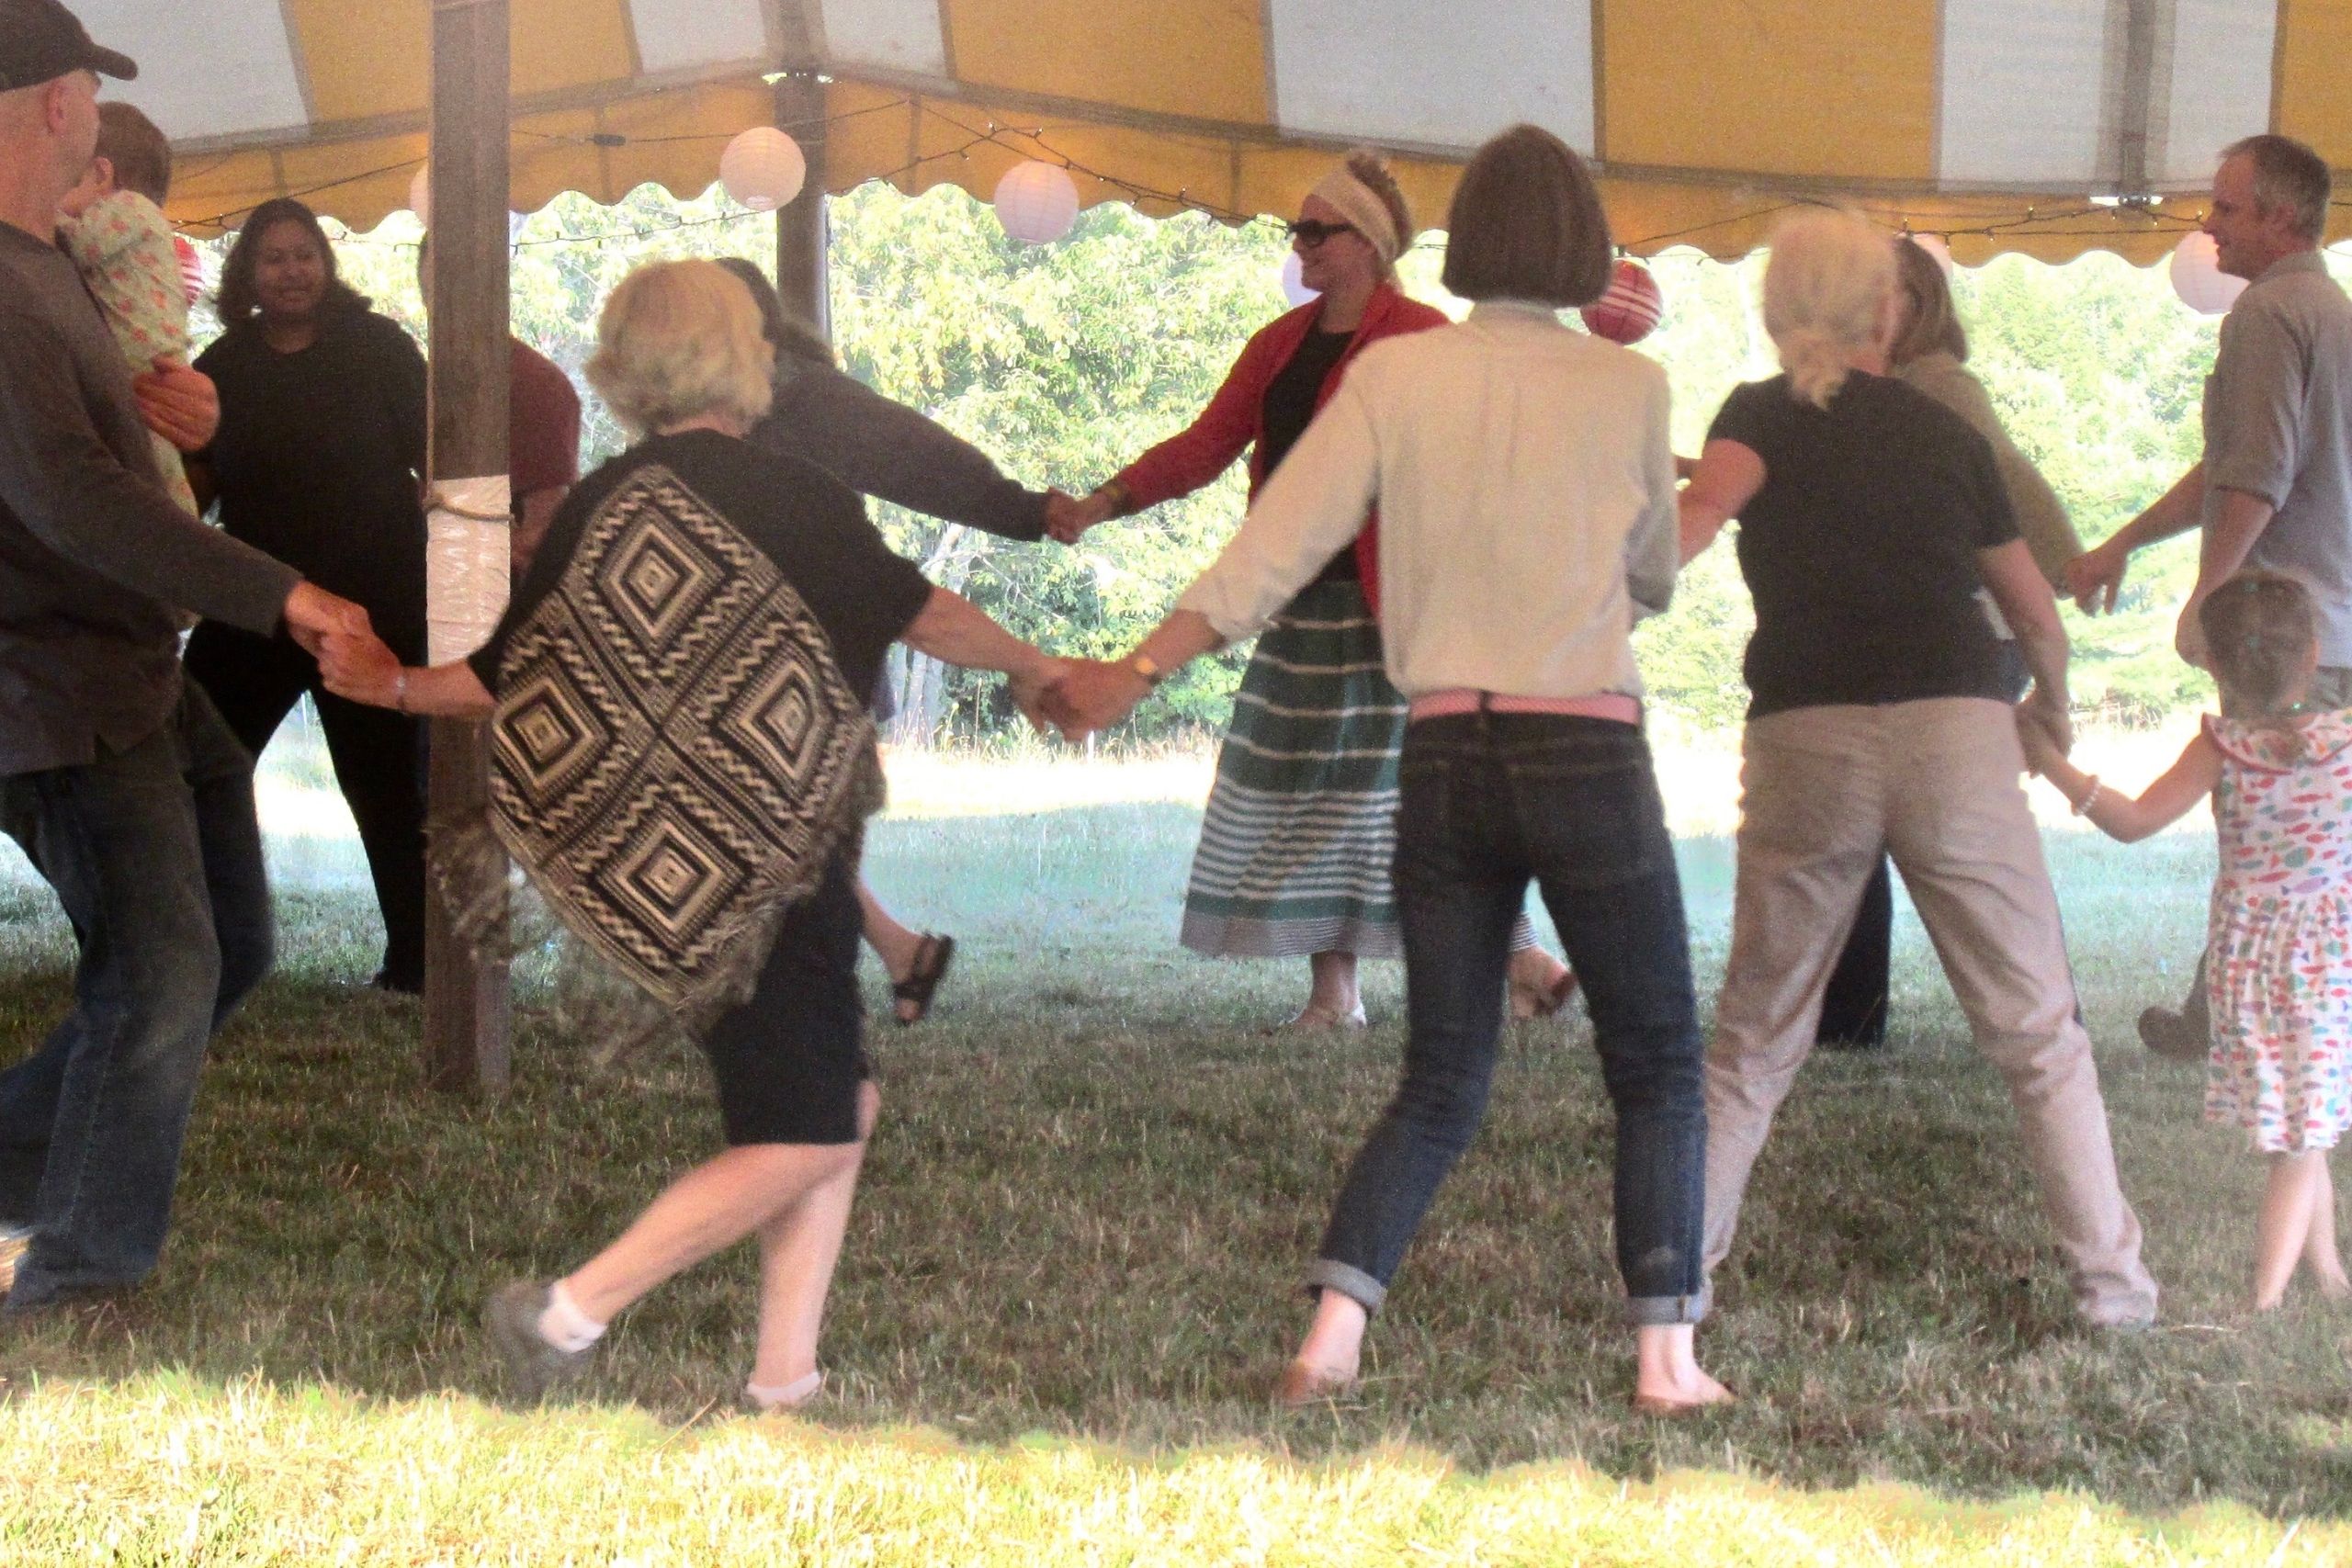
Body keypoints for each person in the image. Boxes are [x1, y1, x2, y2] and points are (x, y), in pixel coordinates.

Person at [1046, 126, 1727, 1412]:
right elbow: (1651, 580)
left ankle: (1331, 1336)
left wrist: (1132, 671)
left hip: (1444, 744)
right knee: (1656, 1061)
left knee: (1441, 1071)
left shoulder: (1396, 376)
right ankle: (1667, 1360)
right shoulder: (1631, 389)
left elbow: (1267, 552)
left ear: (1462, 239)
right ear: (1586, 247)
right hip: (1586, 741)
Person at [316, 258, 1067, 1409]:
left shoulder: (607, 502)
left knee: (831, 1106)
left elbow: (507, 672)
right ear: (744, 354)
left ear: (627, 369)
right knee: (811, 1128)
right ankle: (566, 1314)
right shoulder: (790, 494)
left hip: (678, 872)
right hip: (776, 862)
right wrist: (1043, 664)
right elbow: (925, 614)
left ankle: (784, 1382)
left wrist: (392, 686)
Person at [1679, 207, 2158, 1328]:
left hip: (1805, 730)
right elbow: (2036, 613)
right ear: (1887, 308)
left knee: (1754, 1033)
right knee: (2038, 1029)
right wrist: (2055, 705)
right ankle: (2114, 1288)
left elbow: (1702, 512)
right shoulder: (1946, 437)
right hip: (1957, 729)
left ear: (1779, 310)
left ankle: (1675, 1281)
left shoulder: (1756, 415)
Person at [0, 0, 368, 1313]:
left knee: (231, 944)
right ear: (56, 104)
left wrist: (197, 424)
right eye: (91, 99)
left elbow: (137, 461)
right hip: (49, 690)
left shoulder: (52, 262)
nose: (99, 122)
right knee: (159, 973)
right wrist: (284, 594)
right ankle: (80, 1263)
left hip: (132, 667)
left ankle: (18, 1176)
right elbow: (76, 502)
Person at [1052, 150, 1577, 1031]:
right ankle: (1356, 991)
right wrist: (1104, 501)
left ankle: (1507, 957)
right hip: (1299, 605)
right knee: (1312, 790)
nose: (1298, 245)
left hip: (1397, 607)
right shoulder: (1279, 345)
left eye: (1313, 230)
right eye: (1296, 229)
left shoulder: (1423, 335)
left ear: (1366, 243)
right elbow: (1204, 444)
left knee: (1397, 789)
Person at [715, 254, 1069, 1023]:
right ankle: (894, 951)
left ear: (758, 331)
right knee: (765, 819)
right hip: (738, 643)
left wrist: (1021, 511)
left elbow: (922, 458)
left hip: (818, 640)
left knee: (794, 821)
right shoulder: (698, 411)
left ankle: (834, 981)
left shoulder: (809, 398)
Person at [2064, 134, 2352, 1062]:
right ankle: (2219, 1014)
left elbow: (2254, 480)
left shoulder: (2267, 315)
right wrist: (2124, 540)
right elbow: (2233, 463)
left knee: (2266, 843)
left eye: (2225, 208)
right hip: (2340, 625)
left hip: (2285, 629)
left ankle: (2234, 1019)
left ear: (2279, 216)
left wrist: (2208, 597)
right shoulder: (2334, 313)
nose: (2207, 225)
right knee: (2313, 849)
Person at [2022, 572, 2351, 1311]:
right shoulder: (2346, 743)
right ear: (2316, 654)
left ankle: (2323, 1267)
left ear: (2215, 663)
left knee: (2301, 1121)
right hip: (2330, 962)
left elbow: (2133, 820)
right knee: (2302, 1132)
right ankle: (2264, 1298)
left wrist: (2051, 764)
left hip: (2248, 959)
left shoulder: (2221, 748)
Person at [1813, 236, 2086, 1048]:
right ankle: (1848, 1018)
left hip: (1965, 639)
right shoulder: (1893, 392)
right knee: (1880, 824)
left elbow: (2023, 513)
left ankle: (2047, 1016)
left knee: (1964, 840)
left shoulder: (1939, 390)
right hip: (1940, 638)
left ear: (1907, 306)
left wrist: (2047, 639)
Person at [183, 197, 432, 994]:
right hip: (258, 602)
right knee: (195, 764)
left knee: (386, 782)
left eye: (304, 254)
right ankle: (186, 947)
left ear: (326, 263)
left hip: (374, 601)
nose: (291, 272)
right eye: (273, 258)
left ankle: (417, 964)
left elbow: (438, 457)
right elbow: (195, 485)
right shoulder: (220, 367)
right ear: (246, 273)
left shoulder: (382, 347)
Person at [54, 99, 195, 517]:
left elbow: (76, 244)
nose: (57, 188)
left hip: (142, 366)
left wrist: (40, 213)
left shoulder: (131, 211)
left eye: (65, 173)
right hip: (144, 363)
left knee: (153, 476)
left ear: (100, 173)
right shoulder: (142, 219)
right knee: (156, 472)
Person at [413, 234, 580, 579]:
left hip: (497, 594)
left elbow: (543, 529)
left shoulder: (534, 383)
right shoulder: (431, 380)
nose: (452, 305)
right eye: (438, 291)